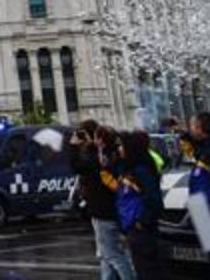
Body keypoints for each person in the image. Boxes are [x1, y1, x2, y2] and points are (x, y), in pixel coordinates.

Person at [69, 120, 136, 280]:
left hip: (103, 211)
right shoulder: (110, 154)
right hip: (108, 210)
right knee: (106, 255)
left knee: (113, 255)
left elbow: (78, 166)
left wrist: (73, 146)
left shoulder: (100, 156)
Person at [113, 130, 165, 280]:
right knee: (142, 268)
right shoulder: (129, 167)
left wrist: (142, 221)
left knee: (148, 270)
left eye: (122, 146)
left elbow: (153, 198)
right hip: (131, 226)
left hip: (140, 228)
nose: (119, 149)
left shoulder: (140, 170)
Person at [182, 112, 210, 274]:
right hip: (200, 207)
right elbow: (191, 146)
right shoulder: (207, 147)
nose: (190, 129)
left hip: (209, 207)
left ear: (200, 128)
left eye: (192, 126)